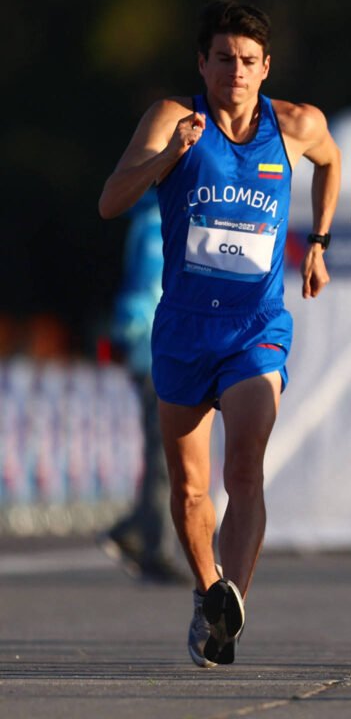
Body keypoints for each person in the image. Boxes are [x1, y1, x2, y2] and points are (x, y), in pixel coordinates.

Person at [98, 0, 341, 667]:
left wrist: (317, 240)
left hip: (255, 328)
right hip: (182, 328)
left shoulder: (293, 125)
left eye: (248, 61)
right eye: (224, 58)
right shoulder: (174, 121)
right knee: (189, 490)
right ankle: (209, 592)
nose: (236, 71)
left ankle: (232, 601)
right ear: (202, 63)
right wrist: (167, 160)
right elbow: (109, 201)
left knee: (245, 468)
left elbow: (330, 160)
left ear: (266, 68)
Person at [98, 192, 189, 585]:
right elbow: (145, 291)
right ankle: (156, 549)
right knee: (166, 454)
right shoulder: (158, 222)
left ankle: (134, 529)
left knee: (167, 451)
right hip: (158, 349)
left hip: (156, 348)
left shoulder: (151, 218)